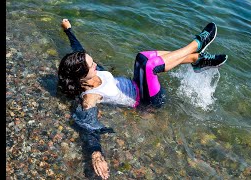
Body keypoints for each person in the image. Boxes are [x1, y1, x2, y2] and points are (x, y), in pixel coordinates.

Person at [57, 18, 227, 179]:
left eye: (92, 61)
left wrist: (69, 31)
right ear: (81, 77)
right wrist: (96, 153)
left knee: (141, 57)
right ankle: (196, 45)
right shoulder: (90, 98)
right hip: (149, 101)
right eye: (91, 65)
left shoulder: (91, 73)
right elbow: (89, 127)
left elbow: (77, 48)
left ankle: (195, 59)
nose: (95, 64)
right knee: (148, 65)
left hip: (139, 84)